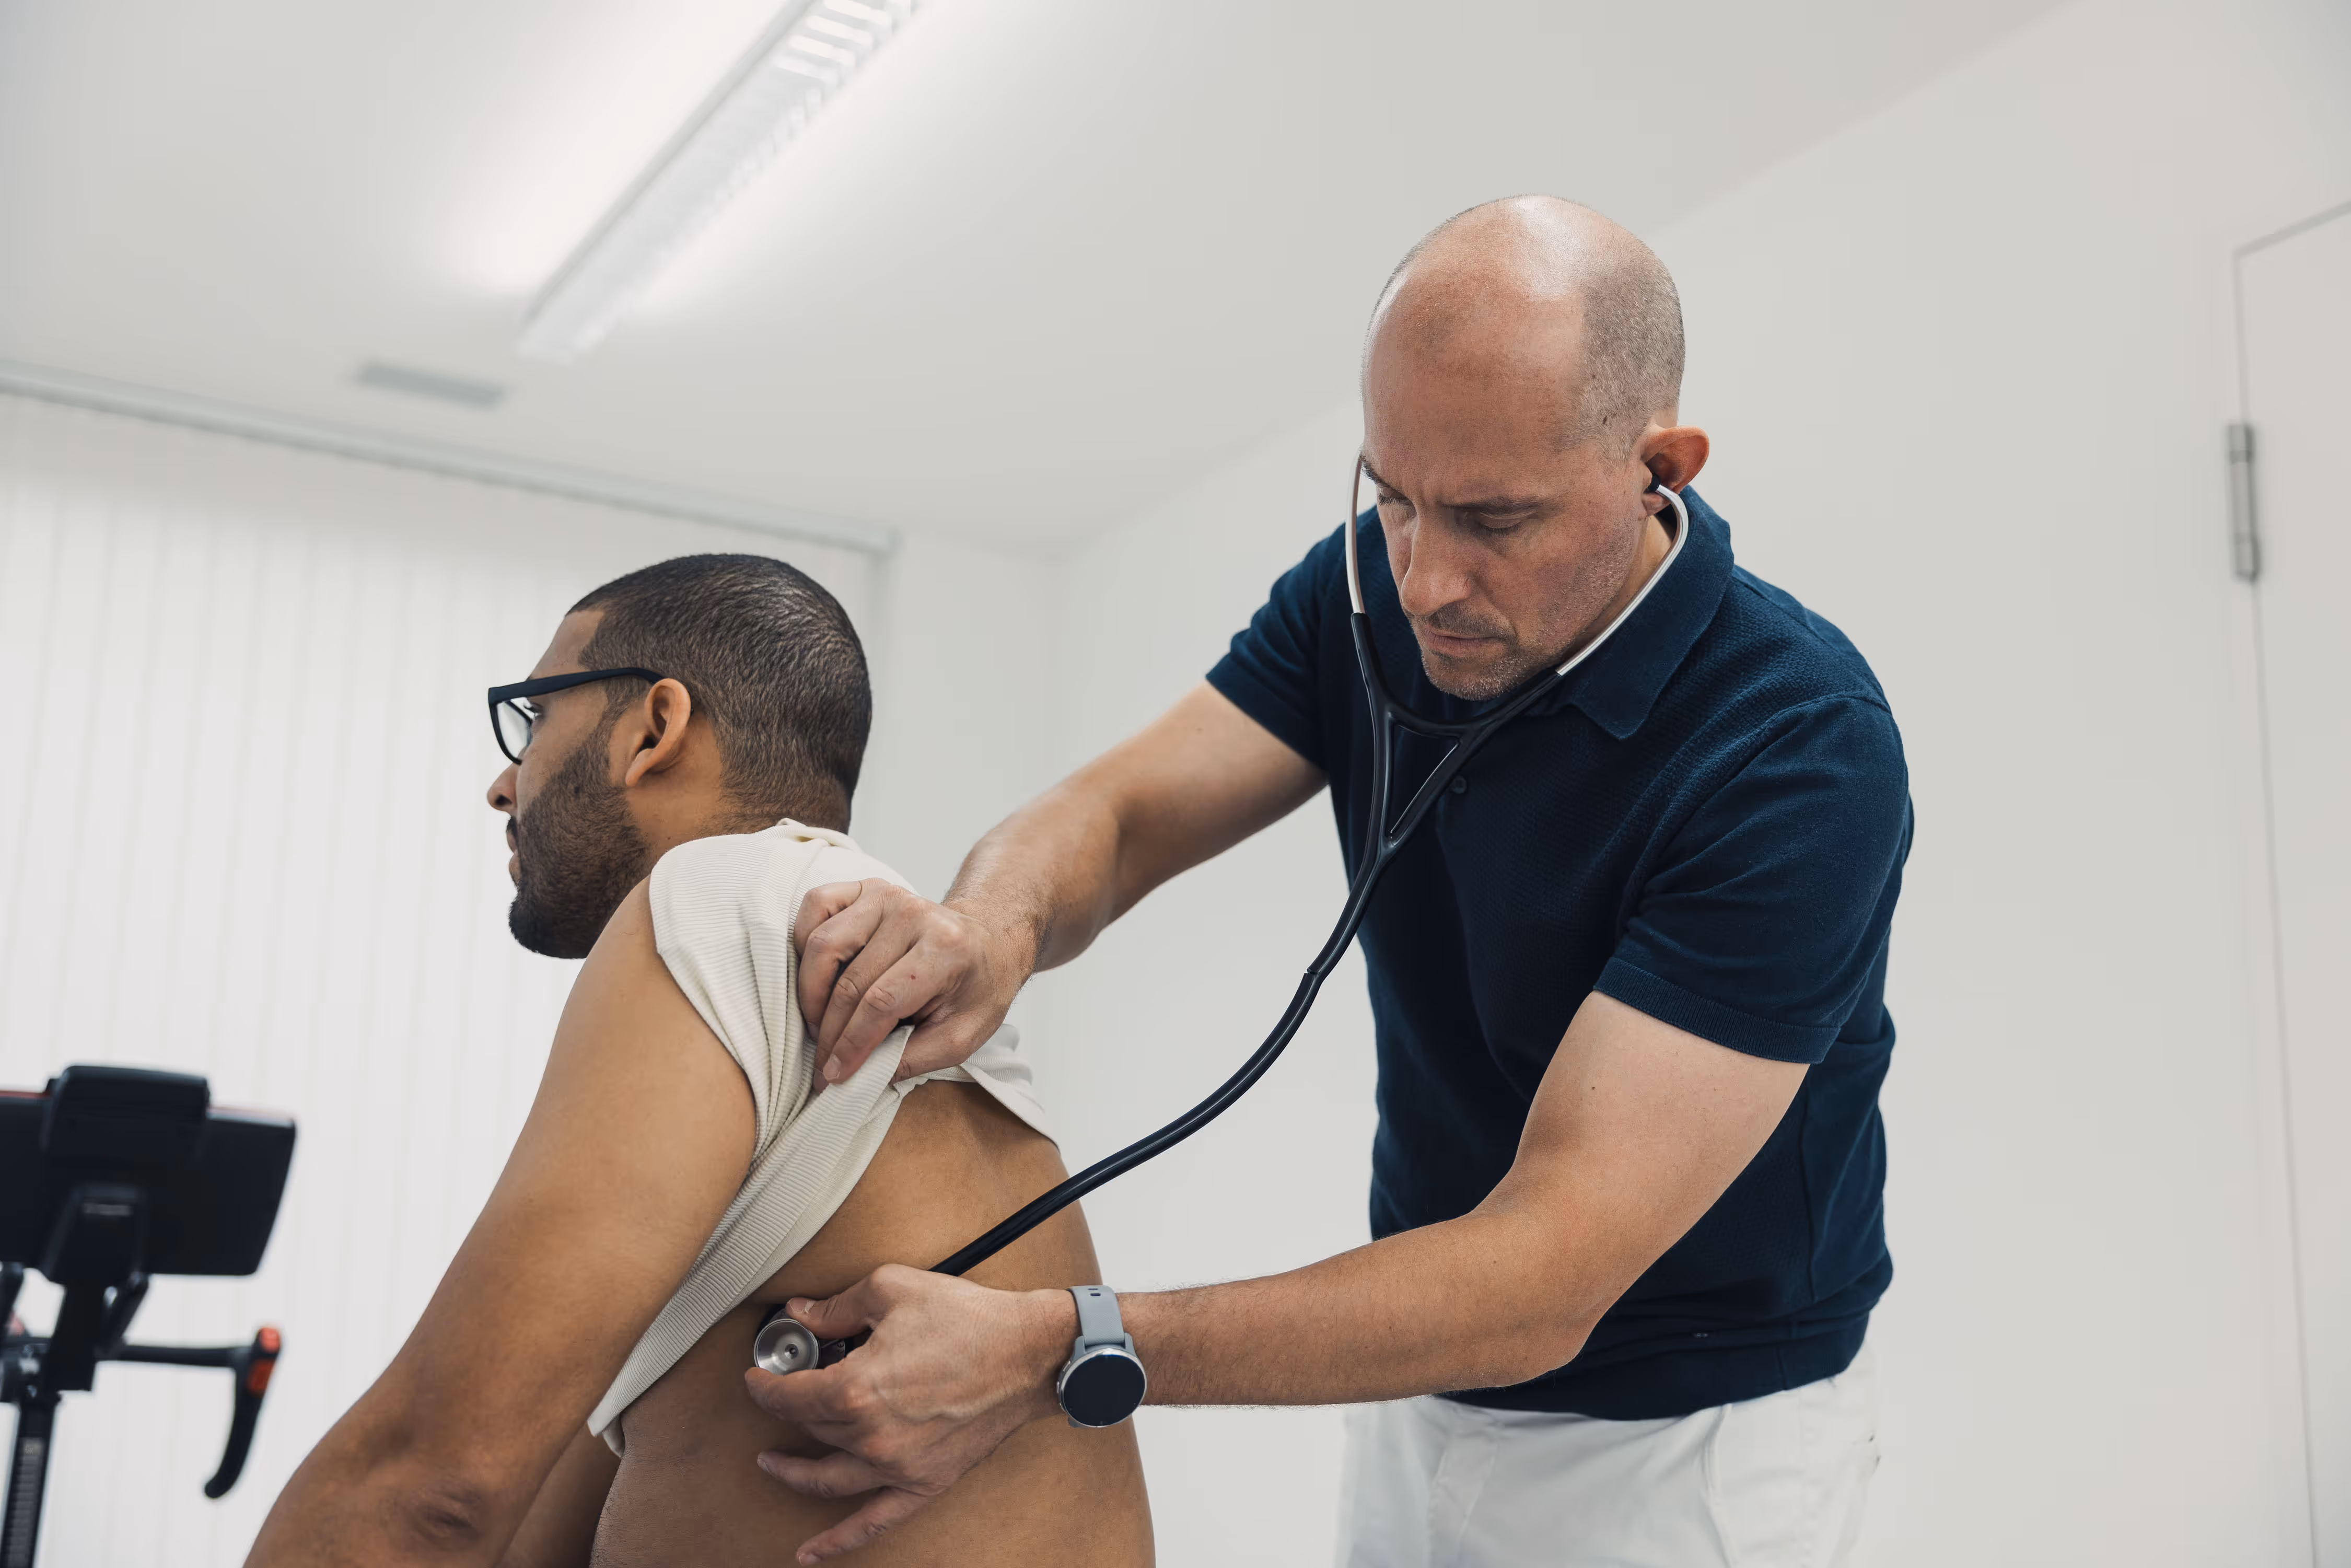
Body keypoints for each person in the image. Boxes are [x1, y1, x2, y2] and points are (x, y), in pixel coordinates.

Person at [746, 197, 1913, 1566]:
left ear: (1659, 464)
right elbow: (1119, 816)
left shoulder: (1794, 745)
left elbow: (1543, 1276)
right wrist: (986, 924)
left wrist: (1060, 1347)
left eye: (1491, 519)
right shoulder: (1366, 592)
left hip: (1692, 1448)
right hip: (1421, 1398)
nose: (1424, 580)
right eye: (1393, 494)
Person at [246, 554, 1150, 1567]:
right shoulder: (823, 968)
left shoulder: (730, 895)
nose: (504, 783)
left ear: (654, 728)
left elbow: (430, 1490)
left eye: (532, 720)